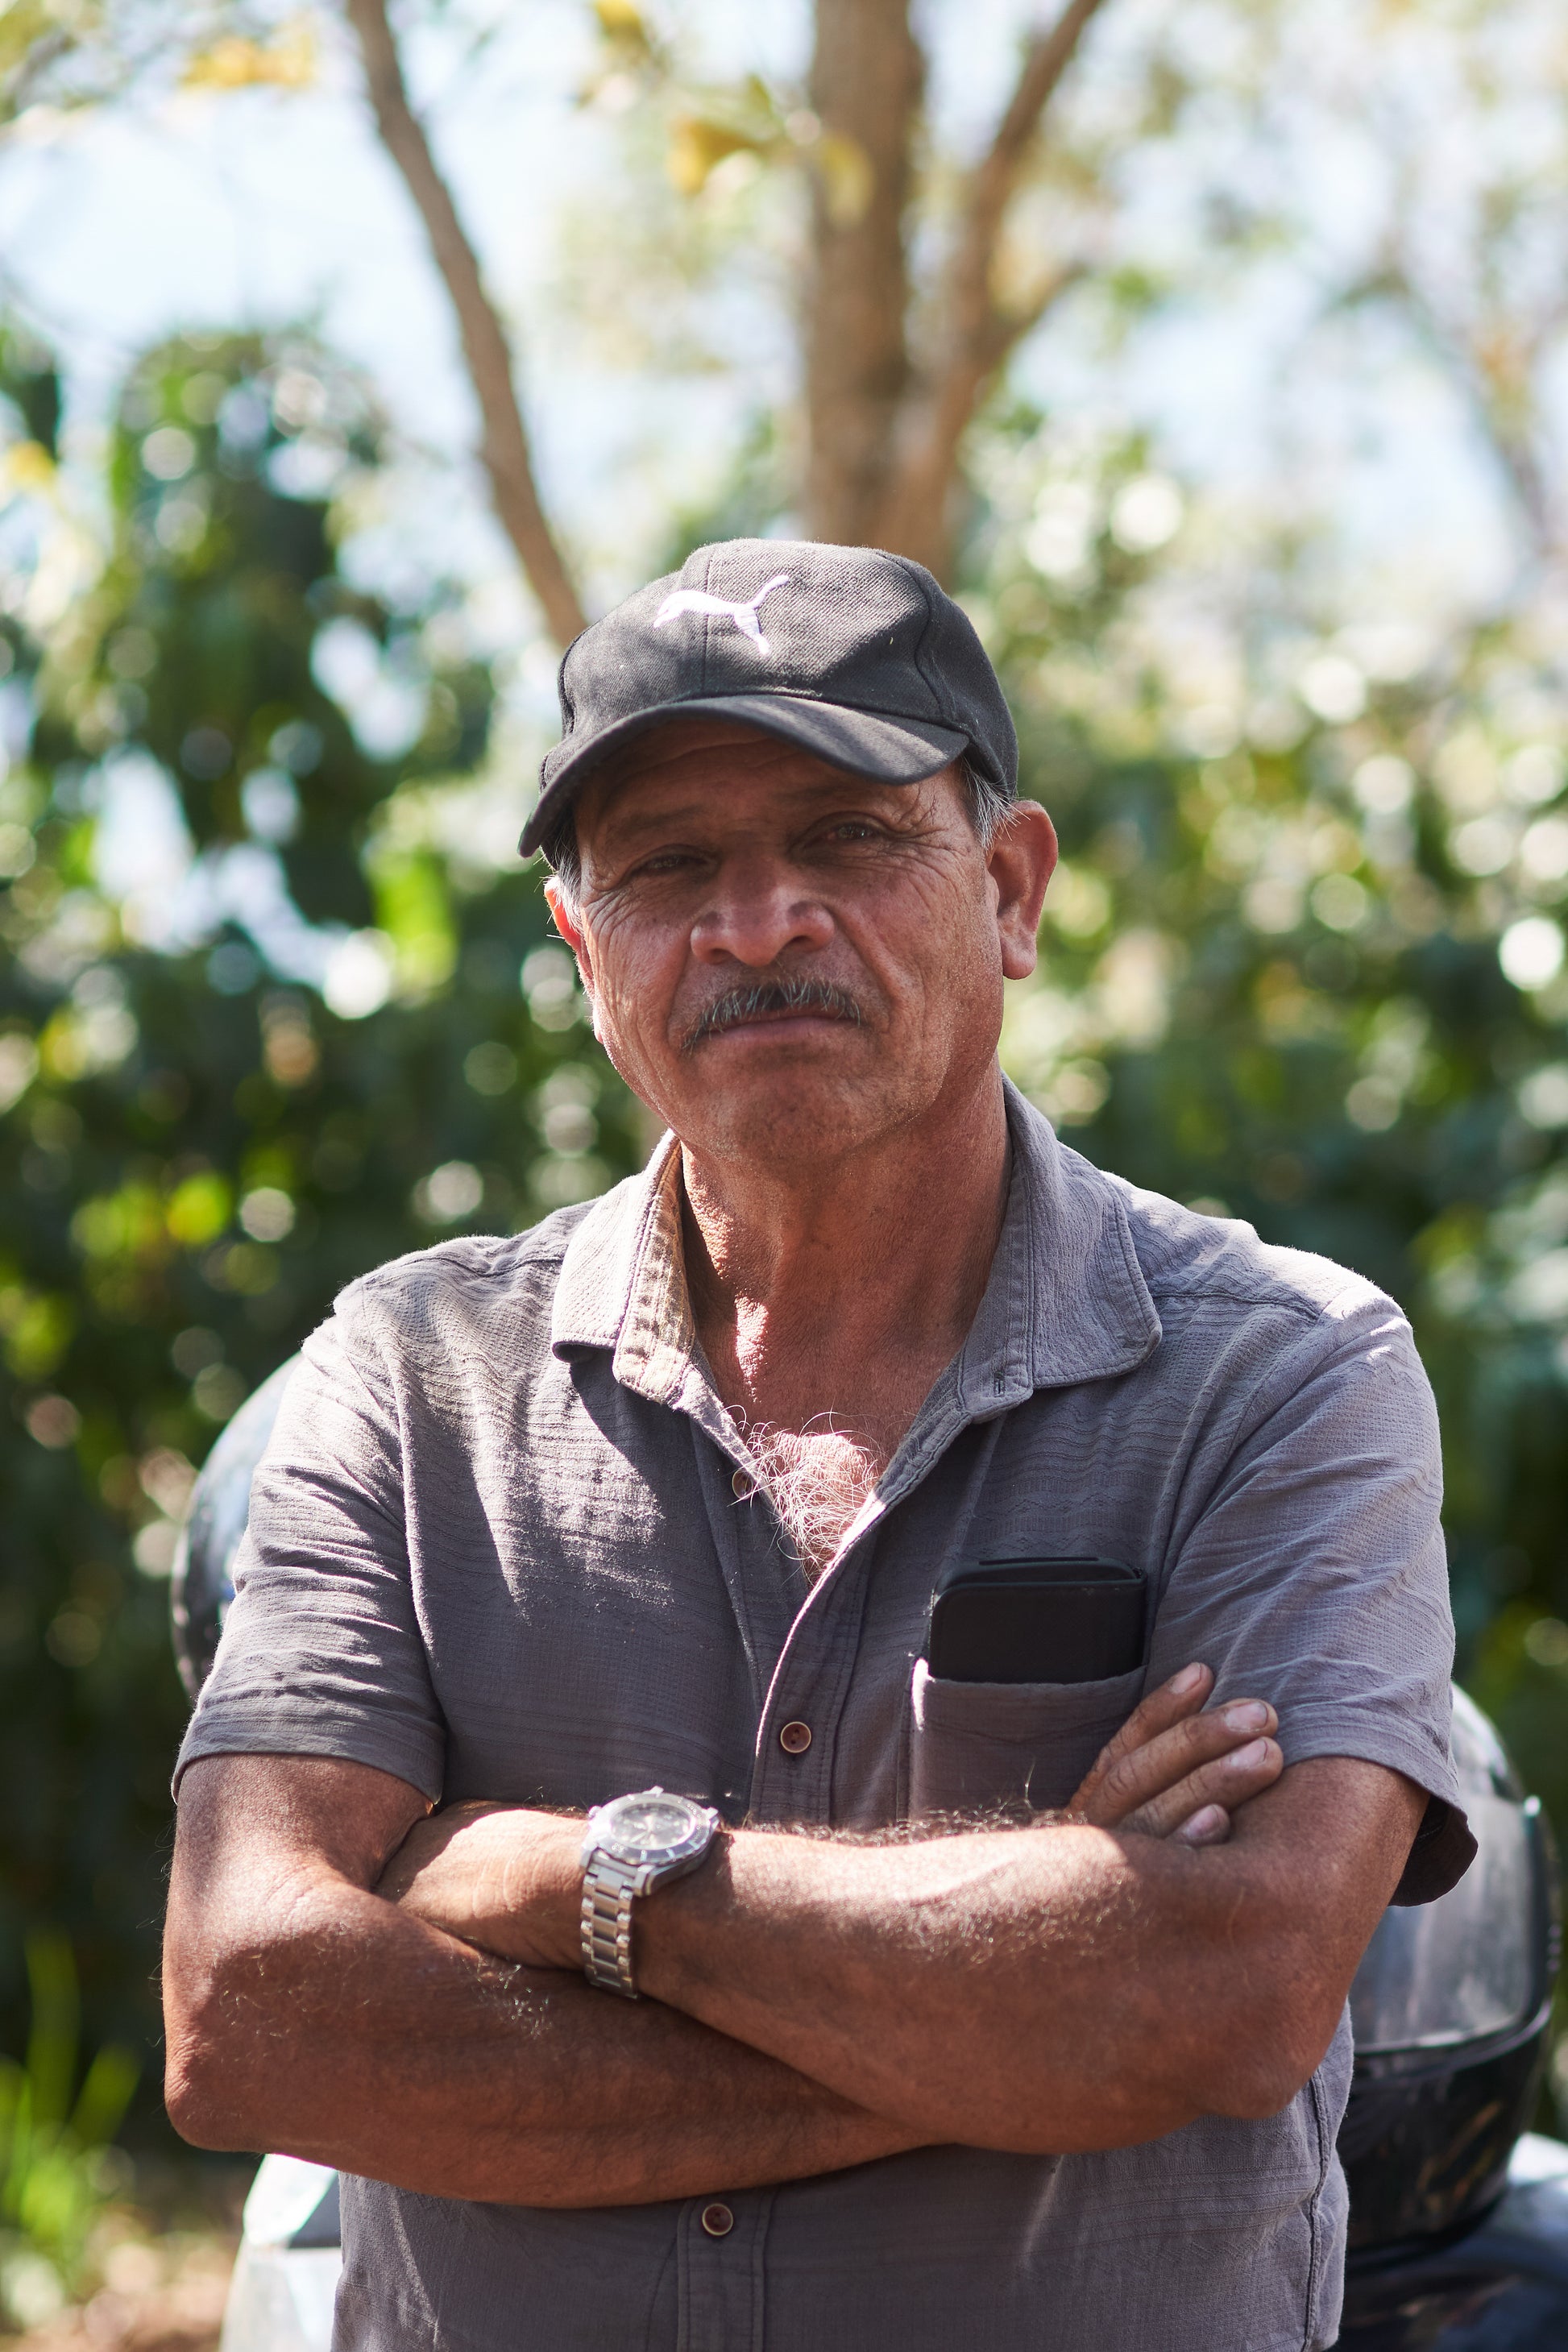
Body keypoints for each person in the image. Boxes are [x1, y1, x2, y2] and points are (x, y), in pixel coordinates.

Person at [164, 539, 1474, 2352]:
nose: (758, 920)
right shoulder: (409, 1376)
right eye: (667, 864)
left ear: (1009, 890)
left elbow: (1227, 1993)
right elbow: (248, 2014)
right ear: (583, 947)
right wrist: (1014, 2023)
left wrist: (564, 1882)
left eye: (847, 835)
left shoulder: (1280, 1375)